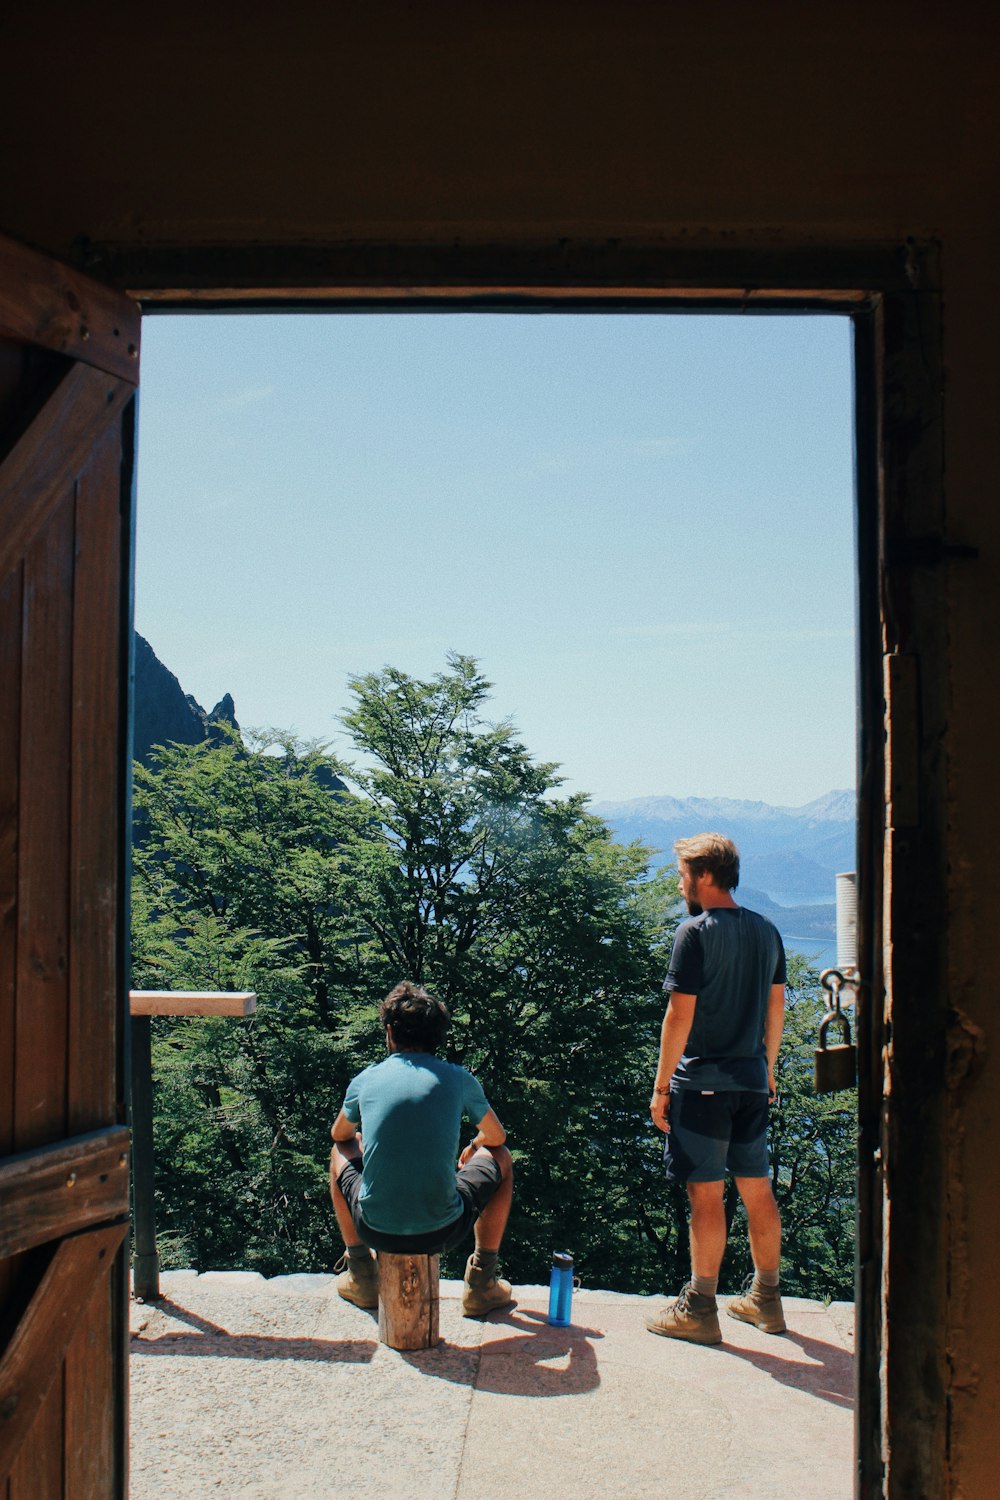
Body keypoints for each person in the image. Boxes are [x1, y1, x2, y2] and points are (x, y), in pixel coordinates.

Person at [645, 832, 787, 1345]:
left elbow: (679, 1014)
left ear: (704, 875)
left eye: (683, 873)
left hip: (702, 1085)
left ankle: (700, 1306)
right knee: (757, 1187)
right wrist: (767, 1069)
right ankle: (766, 1300)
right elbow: (777, 1006)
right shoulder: (767, 930)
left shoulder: (694, 932)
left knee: (706, 1196)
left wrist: (662, 1087)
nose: (681, 883)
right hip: (751, 1081)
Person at [329, 980, 515, 1317]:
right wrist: (476, 1144)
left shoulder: (366, 1079)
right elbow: (497, 1137)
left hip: (375, 1228)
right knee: (502, 1158)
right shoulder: (458, 1078)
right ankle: (482, 1282)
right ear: (437, 1036)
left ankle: (361, 1274)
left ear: (389, 1032)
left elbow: (339, 1133)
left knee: (341, 1149)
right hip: (443, 1230)